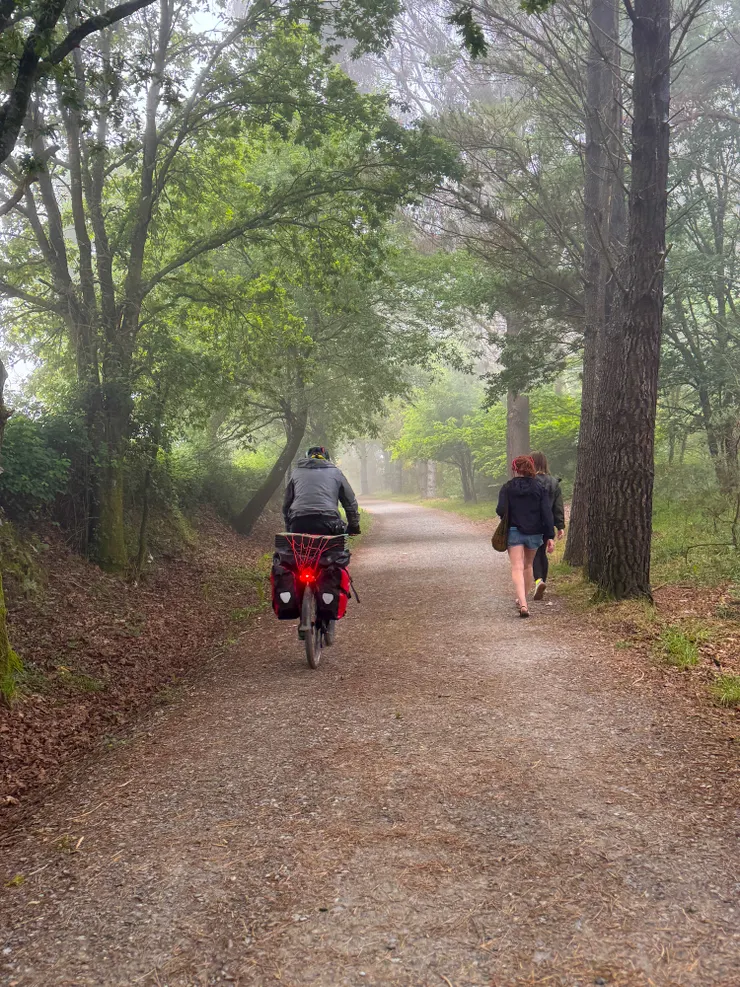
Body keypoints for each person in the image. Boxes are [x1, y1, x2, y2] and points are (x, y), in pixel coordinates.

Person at [496, 455, 554, 618]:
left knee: (517, 567)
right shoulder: (539, 488)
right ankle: (524, 599)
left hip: (514, 531)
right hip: (535, 533)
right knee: (528, 565)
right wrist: (550, 536)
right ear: (530, 468)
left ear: (515, 470)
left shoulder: (507, 487)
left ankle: (522, 603)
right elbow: (546, 513)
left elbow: (500, 510)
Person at [283, 446, 361, 536]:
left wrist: (288, 527)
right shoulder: (336, 472)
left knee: (295, 548)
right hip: (329, 522)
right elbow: (350, 502)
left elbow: (286, 504)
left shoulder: (296, 472)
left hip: (298, 522)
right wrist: (353, 526)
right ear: (327, 458)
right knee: (338, 546)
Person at [531, 451, 565, 601]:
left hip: (530, 524)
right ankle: (542, 581)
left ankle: (538, 581)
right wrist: (560, 526)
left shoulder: (528, 481)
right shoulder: (553, 482)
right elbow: (558, 507)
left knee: (534, 554)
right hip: (547, 524)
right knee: (542, 553)